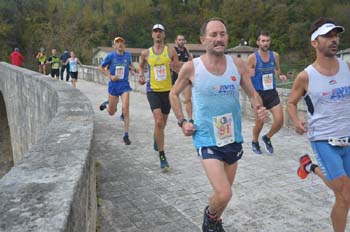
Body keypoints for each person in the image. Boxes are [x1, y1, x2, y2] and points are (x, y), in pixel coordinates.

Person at [169, 17, 267, 232]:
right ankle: (210, 221)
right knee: (224, 193)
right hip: (206, 138)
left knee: (222, 194)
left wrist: (258, 107)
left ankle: (214, 220)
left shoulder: (238, 65)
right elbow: (173, 94)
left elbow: (252, 94)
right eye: (213, 35)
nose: (219, 38)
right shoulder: (191, 68)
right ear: (203, 39)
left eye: (222, 34)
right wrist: (182, 121)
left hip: (232, 137)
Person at [287, 17, 350, 232]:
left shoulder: (347, 67)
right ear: (314, 42)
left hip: (348, 137)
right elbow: (291, 102)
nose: (334, 40)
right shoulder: (306, 76)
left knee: (343, 191)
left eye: (336, 36)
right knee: (345, 194)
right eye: (328, 36)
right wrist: (296, 121)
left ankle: (309, 167)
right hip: (323, 139)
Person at [138, 23, 180, 171]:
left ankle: (157, 137)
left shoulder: (170, 51)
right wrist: (141, 76)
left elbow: (179, 67)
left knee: (162, 124)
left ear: (163, 34)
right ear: (152, 35)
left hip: (168, 91)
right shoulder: (146, 53)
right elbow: (141, 66)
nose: (157, 34)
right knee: (159, 121)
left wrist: (174, 67)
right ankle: (162, 156)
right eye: (155, 31)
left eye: (160, 31)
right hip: (153, 91)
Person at [247, 31, 287, 155]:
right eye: (263, 41)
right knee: (260, 122)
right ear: (258, 42)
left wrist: (280, 76)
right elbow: (248, 79)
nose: (265, 43)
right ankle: (255, 141)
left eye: (267, 41)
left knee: (280, 121)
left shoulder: (275, 55)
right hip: (258, 94)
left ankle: (267, 137)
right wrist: (253, 96)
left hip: (272, 92)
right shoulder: (252, 58)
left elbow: (277, 69)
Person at [98, 36, 135, 145]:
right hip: (114, 85)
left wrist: (132, 70)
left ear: (124, 45)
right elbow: (100, 68)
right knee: (111, 112)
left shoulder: (128, 55)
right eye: (117, 42)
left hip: (124, 85)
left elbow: (130, 65)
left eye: (122, 42)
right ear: (114, 46)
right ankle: (107, 104)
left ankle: (126, 135)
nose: (120, 44)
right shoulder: (110, 56)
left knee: (126, 108)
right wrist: (110, 76)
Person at [172, 34, 194, 121]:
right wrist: (181, 64)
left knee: (188, 99)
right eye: (179, 40)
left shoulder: (186, 50)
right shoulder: (173, 50)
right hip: (176, 77)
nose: (181, 41)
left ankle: (190, 118)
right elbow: (173, 64)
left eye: (183, 40)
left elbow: (190, 61)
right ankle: (180, 117)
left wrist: (182, 64)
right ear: (176, 41)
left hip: (185, 78)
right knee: (174, 97)